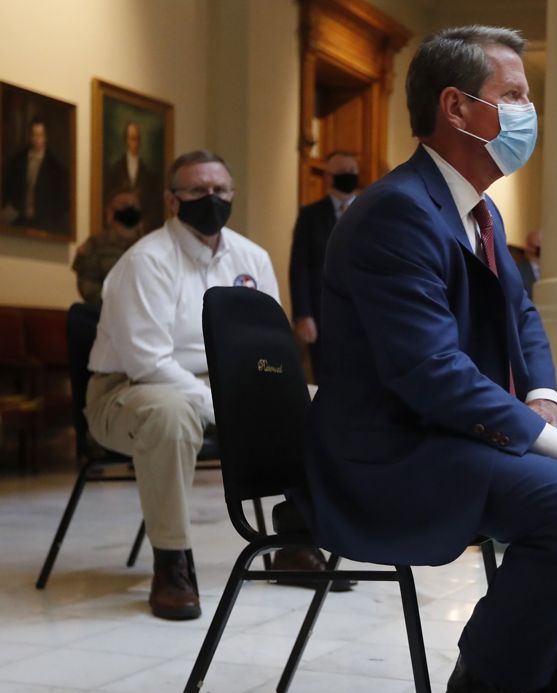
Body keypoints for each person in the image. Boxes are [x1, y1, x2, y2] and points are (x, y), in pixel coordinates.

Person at [300, 25, 557, 693]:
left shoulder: (476, 209)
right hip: (393, 449)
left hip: (459, 435)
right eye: (512, 95)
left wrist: (542, 396)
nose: (526, 112)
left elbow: (522, 315)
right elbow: (430, 374)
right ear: (456, 108)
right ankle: (482, 685)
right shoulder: (397, 214)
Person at [84, 150, 351, 621]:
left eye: (220, 190)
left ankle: (292, 541)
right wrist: (223, 406)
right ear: (172, 201)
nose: (212, 199)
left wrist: (266, 396)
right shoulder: (145, 261)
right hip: (129, 389)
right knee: (170, 413)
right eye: (197, 191)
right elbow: (148, 362)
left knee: (322, 405)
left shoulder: (252, 258)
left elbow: (269, 343)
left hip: (227, 387)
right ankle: (172, 563)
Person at [289, 151, 360, 375]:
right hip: (323, 312)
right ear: (328, 177)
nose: (348, 176)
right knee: (326, 375)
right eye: (342, 172)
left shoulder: (372, 210)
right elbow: (299, 265)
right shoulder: (310, 215)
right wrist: (303, 314)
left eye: (352, 172)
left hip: (364, 310)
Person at [71, 188, 145, 305]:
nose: (130, 209)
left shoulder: (149, 246)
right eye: (124, 205)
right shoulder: (95, 245)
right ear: (110, 214)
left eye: (134, 206)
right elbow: (87, 287)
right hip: (104, 315)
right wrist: (118, 302)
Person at [1, 117, 69, 234]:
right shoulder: (18, 160)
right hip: (20, 219)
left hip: (44, 223)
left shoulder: (55, 166)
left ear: (46, 137)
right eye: (34, 135)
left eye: (40, 135)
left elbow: (60, 201)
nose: (36, 139)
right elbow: (9, 189)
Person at [105, 121, 164, 232]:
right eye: (132, 138)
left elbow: (153, 204)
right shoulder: (117, 168)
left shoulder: (147, 172)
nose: (135, 143)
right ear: (126, 140)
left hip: (141, 231)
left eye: (137, 139)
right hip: (119, 229)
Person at [507, 228, 540, 297]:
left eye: (534, 246)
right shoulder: (517, 270)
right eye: (528, 245)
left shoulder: (552, 271)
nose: (527, 248)